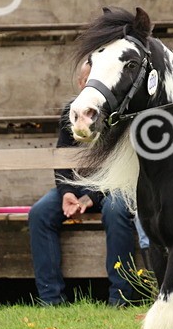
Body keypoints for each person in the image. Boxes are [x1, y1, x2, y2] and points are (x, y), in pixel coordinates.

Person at [28, 62, 143, 306]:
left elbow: (119, 166)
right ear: (81, 84)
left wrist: (91, 196)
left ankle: (121, 297)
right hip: (77, 184)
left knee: (115, 210)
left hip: (115, 186)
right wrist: (67, 193)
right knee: (40, 213)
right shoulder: (71, 111)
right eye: (88, 81)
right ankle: (51, 298)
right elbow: (62, 157)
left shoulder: (119, 113)